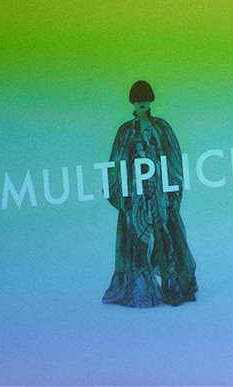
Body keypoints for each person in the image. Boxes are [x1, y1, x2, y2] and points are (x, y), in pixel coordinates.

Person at [102, 80, 198, 307]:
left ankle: (173, 286)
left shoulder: (161, 128)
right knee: (138, 242)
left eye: (145, 98)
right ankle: (141, 291)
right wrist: (121, 196)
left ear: (151, 99)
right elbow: (116, 162)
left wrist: (173, 190)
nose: (142, 102)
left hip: (160, 194)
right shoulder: (125, 131)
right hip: (136, 196)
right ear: (132, 101)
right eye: (137, 99)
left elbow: (173, 158)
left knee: (167, 238)